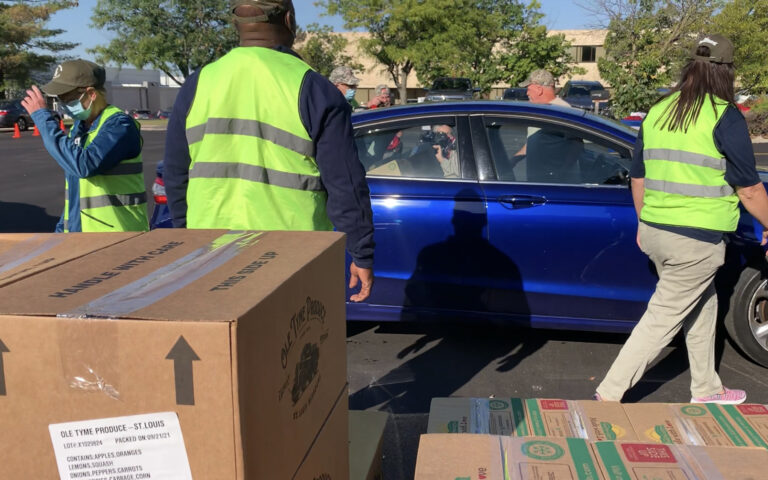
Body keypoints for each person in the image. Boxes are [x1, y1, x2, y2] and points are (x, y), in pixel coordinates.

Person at [595, 34, 768, 404]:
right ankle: (607, 395)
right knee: (662, 319)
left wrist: (644, 223)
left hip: (657, 232)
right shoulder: (724, 116)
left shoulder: (659, 110)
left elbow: (637, 176)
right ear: (726, 72)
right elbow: (749, 188)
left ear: (691, 66)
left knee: (702, 306)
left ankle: (706, 388)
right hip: (696, 240)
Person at [163, 0, 375, 303]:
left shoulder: (198, 83)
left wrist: (186, 236)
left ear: (236, 25)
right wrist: (361, 252)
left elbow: (175, 172)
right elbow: (345, 183)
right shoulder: (313, 87)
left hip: (211, 252)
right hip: (292, 257)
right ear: (289, 20)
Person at [20, 60, 148, 232]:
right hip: (80, 238)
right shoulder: (78, 129)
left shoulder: (120, 126)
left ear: (91, 94)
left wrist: (43, 120)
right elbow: (75, 193)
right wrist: (62, 231)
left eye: (67, 97)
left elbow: (85, 165)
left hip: (118, 238)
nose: (62, 103)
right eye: (59, 98)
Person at [516, 69, 584, 183]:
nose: (527, 93)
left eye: (528, 88)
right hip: (542, 183)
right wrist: (513, 160)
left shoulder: (561, 111)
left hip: (557, 186)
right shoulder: (543, 110)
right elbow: (534, 140)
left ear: (538, 89)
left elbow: (576, 145)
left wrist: (561, 174)